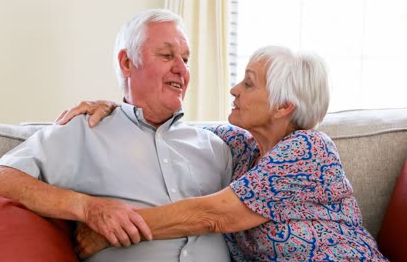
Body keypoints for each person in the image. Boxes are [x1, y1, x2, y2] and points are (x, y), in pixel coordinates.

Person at [61, 46, 388, 261]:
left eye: (249, 84)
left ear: (283, 106)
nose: (234, 90)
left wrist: (113, 231)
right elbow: (166, 129)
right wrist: (118, 109)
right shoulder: (242, 147)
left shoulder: (309, 150)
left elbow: (212, 215)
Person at [0, 9, 233, 262]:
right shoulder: (85, 129)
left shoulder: (216, 147)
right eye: (167, 55)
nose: (181, 69)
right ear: (127, 63)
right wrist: (87, 208)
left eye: (186, 59)